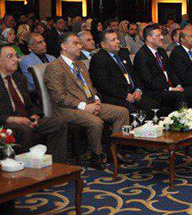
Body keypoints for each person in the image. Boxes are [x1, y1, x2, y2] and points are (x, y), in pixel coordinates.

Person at [44, 32, 129, 169]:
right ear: (64, 46)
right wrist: (84, 106)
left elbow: (90, 87)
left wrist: (96, 99)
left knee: (122, 112)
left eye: (79, 43)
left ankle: (114, 151)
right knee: (96, 122)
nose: (80, 46)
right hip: (66, 109)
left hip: (90, 103)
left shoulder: (81, 65)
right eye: (75, 43)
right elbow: (60, 97)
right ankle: (97, 155)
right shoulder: (54, 67)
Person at [0, 44, 68, 164]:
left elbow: (29, 104)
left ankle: (57, 165)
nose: (16, 59)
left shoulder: (19, 78)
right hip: (6, 123)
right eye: (10, 56)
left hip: (26, 119)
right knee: (25, 130)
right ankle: (26, 169)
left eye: (16, 56)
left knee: (59, 123)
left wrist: (35, 116)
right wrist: (15, 120)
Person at [133, 24, 192, 112]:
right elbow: (148, 81)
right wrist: (169, 88)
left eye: (161, 35)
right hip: (154, 91)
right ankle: (182, 119)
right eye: (158, 35)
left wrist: (178, 85)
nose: (162, 37)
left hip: (169, 87)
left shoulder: (161, 51)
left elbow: (171, 71)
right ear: (149, 38)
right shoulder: (142, 55)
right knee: (180, 95)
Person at [89, 29, 160, 114]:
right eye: (113, 40)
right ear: (103, 45)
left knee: (153, 104)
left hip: (132, 94)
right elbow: (104, 85)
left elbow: (135, 75)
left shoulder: (122, 54)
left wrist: (138, 90)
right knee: (133, 110)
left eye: (117, 38)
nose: (118, 41)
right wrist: (125, 95)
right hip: (115, 97)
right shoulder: (98, 59)